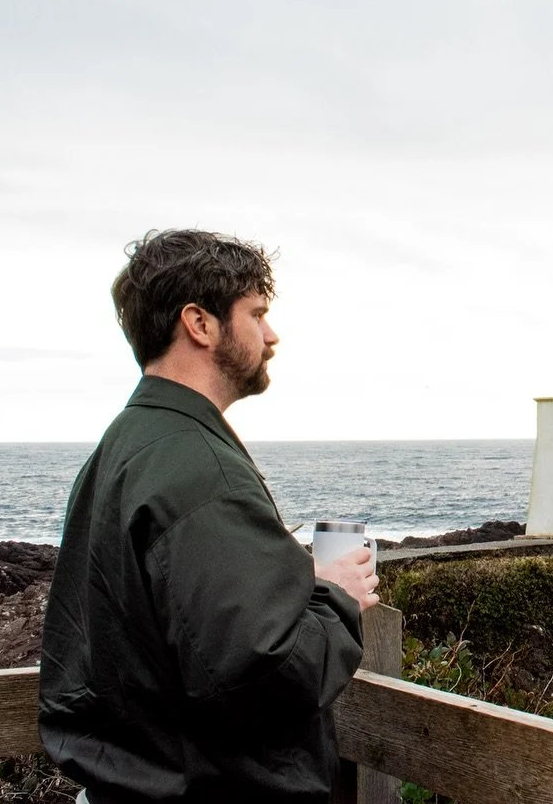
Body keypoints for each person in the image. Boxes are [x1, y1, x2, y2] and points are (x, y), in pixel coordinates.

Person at [39, 229, 379, 803]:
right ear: (200, 324)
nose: (272, 335)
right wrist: (334, 594)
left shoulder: (127, 442)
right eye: (257, 314)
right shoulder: (200, 471)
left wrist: (288, 578)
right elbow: (267, 676)